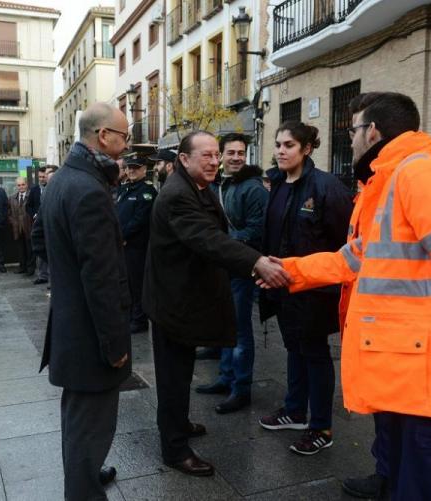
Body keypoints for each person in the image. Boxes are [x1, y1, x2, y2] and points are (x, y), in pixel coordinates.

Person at [272, 92, 431, 499]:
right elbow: (355, 259)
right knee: (404, 477)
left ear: (373, 131)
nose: (349, 140)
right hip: (405, 368)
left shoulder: (426, 176)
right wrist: (288, 270)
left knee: (424, 485)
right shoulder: (385, 184)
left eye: (352, 131)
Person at [142, 130, 288, 477]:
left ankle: (179, 424)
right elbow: (208, 239)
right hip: (171, 303)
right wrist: (256, 262)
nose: (214, 161)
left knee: (181, 371)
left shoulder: (197, 187)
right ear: (184, 159)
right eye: (205, 155)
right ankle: (174, 448)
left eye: (214, 155)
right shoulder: (179, 194)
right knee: (173, 377)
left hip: (182, 299)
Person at [33, 102, 131, 500]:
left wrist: (65, 278)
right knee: (90, 424)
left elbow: (41, 240)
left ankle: (85, 473)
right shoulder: (89, 189)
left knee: (79, 422)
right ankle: (83, 490)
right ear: (103, 136)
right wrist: (115, 346)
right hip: (90, 335)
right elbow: (101, 280)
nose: (126, 145)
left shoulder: (63, 179)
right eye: (123, 136)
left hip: (72, 326)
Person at [256, 121, 352, 456]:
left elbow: (345, 245)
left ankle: (321, 427)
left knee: (314, 353)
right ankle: (295, 411)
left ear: (307, 149)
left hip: (315, 292)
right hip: (283, 289)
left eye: (289, 145)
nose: (281, 151)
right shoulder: (279, 185)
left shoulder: (327, 187)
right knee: (294, 348)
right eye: (278, 145)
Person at [195, 133, 269, 414]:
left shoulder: (253, 189)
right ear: (221, 156)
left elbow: (257, 231)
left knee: (239, 330)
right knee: (226, 325)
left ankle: (241, 389)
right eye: (231, 152)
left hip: (241, 268)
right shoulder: (222, 186)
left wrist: (221, 242)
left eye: (241, 152)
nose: (236, 157)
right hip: (224, 266)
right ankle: (226, 378)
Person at [115, 156, 157, 334]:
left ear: (143, 169)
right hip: (123, 244)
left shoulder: (147, 191)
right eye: (129, 167)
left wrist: (123, 235)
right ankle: (131, 316)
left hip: (137, 246)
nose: (131, 170)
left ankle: (139, 320)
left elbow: (140, 219)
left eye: (135, 168)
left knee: (137, 283)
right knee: (127, 283)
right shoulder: (124, 189)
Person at [8, 177, 34, 274]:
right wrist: (12, 221)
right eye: (19, 185)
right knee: (20, 249)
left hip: (29, 227)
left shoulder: (31, 196)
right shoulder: (12, 198)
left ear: (26, 185)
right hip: (17, 228)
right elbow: (8, 213)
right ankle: (22, 267)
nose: (21, 187)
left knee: (30, 249)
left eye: (23, 184)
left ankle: (30, 268)